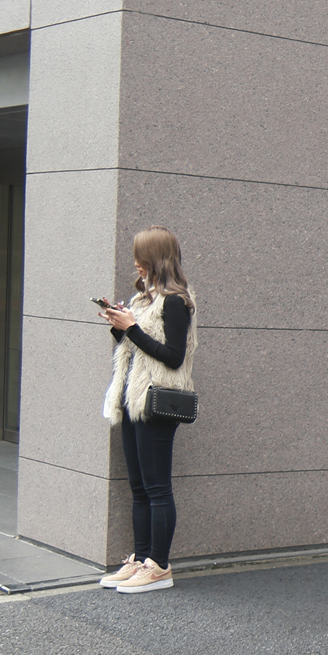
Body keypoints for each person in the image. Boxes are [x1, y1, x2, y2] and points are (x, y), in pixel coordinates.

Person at [96, 227, 197, 593]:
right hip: (131, 400)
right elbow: (135, 348)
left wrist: (133, 328)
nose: (136, 263)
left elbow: (173, 357)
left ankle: (159, 566)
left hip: (156, 403)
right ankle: (140, 559)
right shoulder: (143, 299)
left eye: (141, 257)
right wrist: (119, 325)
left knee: (157, 488)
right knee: (138, 487)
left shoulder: (176, 301)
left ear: (157, 258)